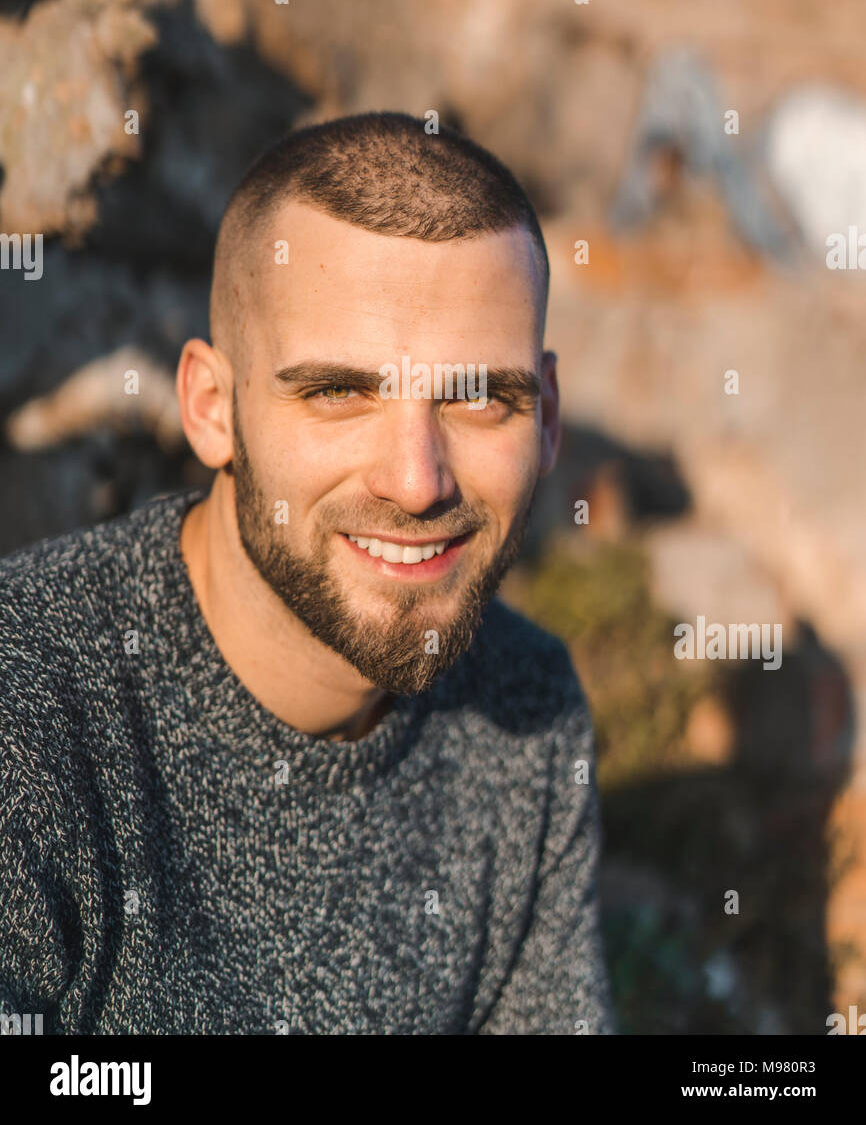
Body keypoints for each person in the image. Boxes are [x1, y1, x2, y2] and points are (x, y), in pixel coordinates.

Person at [0, 111, 614, 1035]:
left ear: (550, 418)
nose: (416, 481)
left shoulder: (526, 709)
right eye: (337, 392)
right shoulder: (29, 713)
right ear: (212, 409)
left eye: (480, 398)